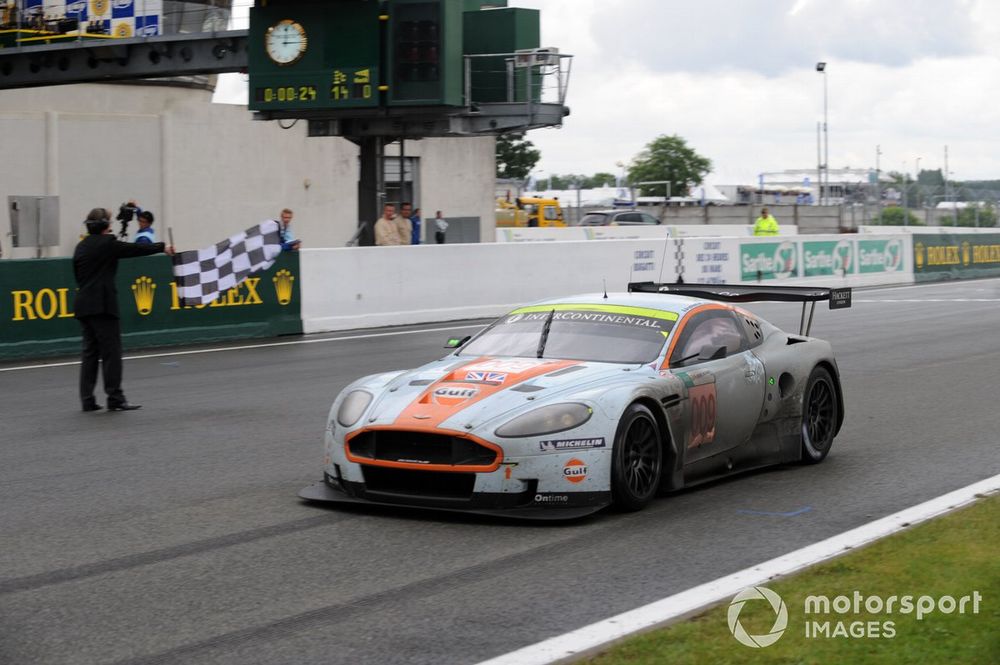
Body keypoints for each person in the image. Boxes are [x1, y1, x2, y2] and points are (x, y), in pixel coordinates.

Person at [74, 207, 173, 412]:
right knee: (111, 353)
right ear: (104, 226)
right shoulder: (108, 244)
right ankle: (115, 397)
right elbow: (135, 249)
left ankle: (87, 399)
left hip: (84, 305)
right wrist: (162, 247)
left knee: (90, 353)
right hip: (103, 305)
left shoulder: (81, 246)